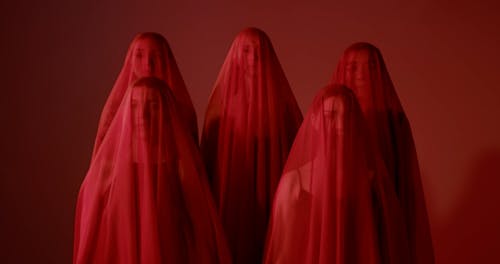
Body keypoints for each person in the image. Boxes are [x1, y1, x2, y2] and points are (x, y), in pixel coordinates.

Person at [73, 77, 231, 264]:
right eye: (135, 106)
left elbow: (201, 228)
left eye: (153, 105)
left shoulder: (180, 166)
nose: (142, 115)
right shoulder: (109, 168)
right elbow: (91, 226)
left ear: (165, 111)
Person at [264, 84, 409, 264]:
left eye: (347, 117)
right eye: (330, 116)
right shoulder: (293, 184)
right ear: (315, 120)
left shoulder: (372, 183)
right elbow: (282, 256)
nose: (340, 126)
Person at [200, 27, 303, 264]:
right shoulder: (220, 107)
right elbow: (207, 158)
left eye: (257, 51)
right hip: (231, 197)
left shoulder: (283, 107)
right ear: (236, 56)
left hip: (274, 194)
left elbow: (297, 151)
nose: (252, 58)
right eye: (246, 51)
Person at [331, 42, 435, 264]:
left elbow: (404, 180)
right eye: (352, 67)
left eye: (368, 67)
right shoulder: (331, 115)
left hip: (382, 214)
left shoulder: (394, 121)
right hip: (342, 211)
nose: (360, 75)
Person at [92, 32, 198, 158]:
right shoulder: (114, 109)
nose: (148, 64)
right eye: (139, 55)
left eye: (156, 56)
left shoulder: (182, 110)